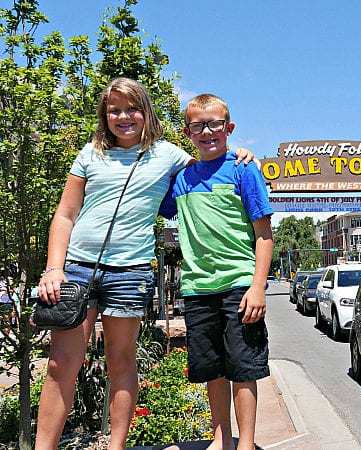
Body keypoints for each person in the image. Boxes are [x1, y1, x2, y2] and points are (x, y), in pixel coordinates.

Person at [34, 78, 256, 450]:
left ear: (145, 112)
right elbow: (65, 215)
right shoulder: (90, 154)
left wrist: (242, 154)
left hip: (130, 270)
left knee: (121, 362)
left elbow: (209, 162)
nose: (123, 116)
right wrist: (53, 268)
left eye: (131, 108)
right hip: (77, 268)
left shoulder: (167, 154)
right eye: (114, 110)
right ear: (104, 116)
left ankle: (116, 446)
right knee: (60, 365)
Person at [159, 93, 274, 450]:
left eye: (215, 124)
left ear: (229, 128)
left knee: (243, 369)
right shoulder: (181, 180)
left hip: (239, 286)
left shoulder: (243, 169)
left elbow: (264, 235)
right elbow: (150, 195)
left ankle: (246, 443)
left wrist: (258, 288)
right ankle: (222, 438)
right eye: (198, 126)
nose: (207, 132)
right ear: (187, 131)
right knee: (213, 370)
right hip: (197, 290)